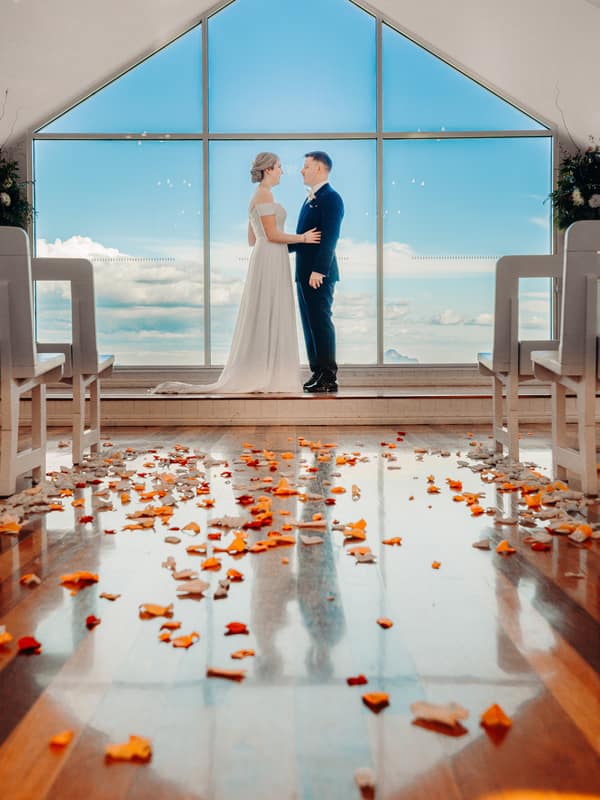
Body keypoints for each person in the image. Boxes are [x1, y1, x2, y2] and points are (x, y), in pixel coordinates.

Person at [152, 152, 320, 394]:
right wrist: (303, 238)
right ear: (268, 169)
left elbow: (253, 239)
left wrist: (273, 236)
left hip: (265, 256)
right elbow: (272, 234)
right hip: (271, 257)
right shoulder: (264, 194)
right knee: (271, 308)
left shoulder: (257, 196)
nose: (282, 171)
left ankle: (262, 371)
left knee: (263, 310)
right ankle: (270, 374)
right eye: (279, 167)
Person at [291, 151, 344, 393]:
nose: (302, 170)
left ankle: (329, 376)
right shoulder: (309, 199)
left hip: (318, 274)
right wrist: (274, 244)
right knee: (310, 324)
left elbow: (331, 237)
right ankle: (317, 372)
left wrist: (319, 270)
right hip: (304, 272)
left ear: (319, 169)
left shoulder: (331, 198)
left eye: (306, 166)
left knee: (321, 323)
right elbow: (303, 237)